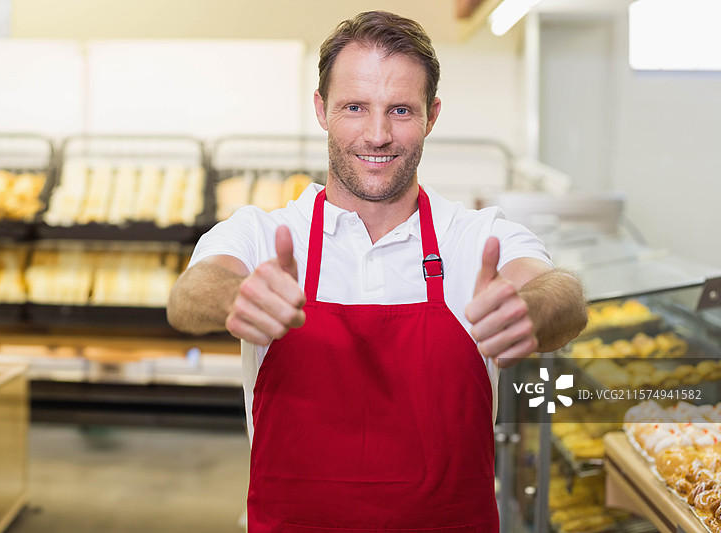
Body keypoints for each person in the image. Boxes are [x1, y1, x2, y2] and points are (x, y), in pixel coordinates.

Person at [168, 10, 586, 532]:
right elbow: (190, 294)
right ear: (321, 110)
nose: (377, 133)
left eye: (401, 110)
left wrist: (528, 309)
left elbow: (561, 293)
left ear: (433, 115)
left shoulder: (472, 237)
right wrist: (237, 298)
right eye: (354, 107)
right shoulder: (267, 233)